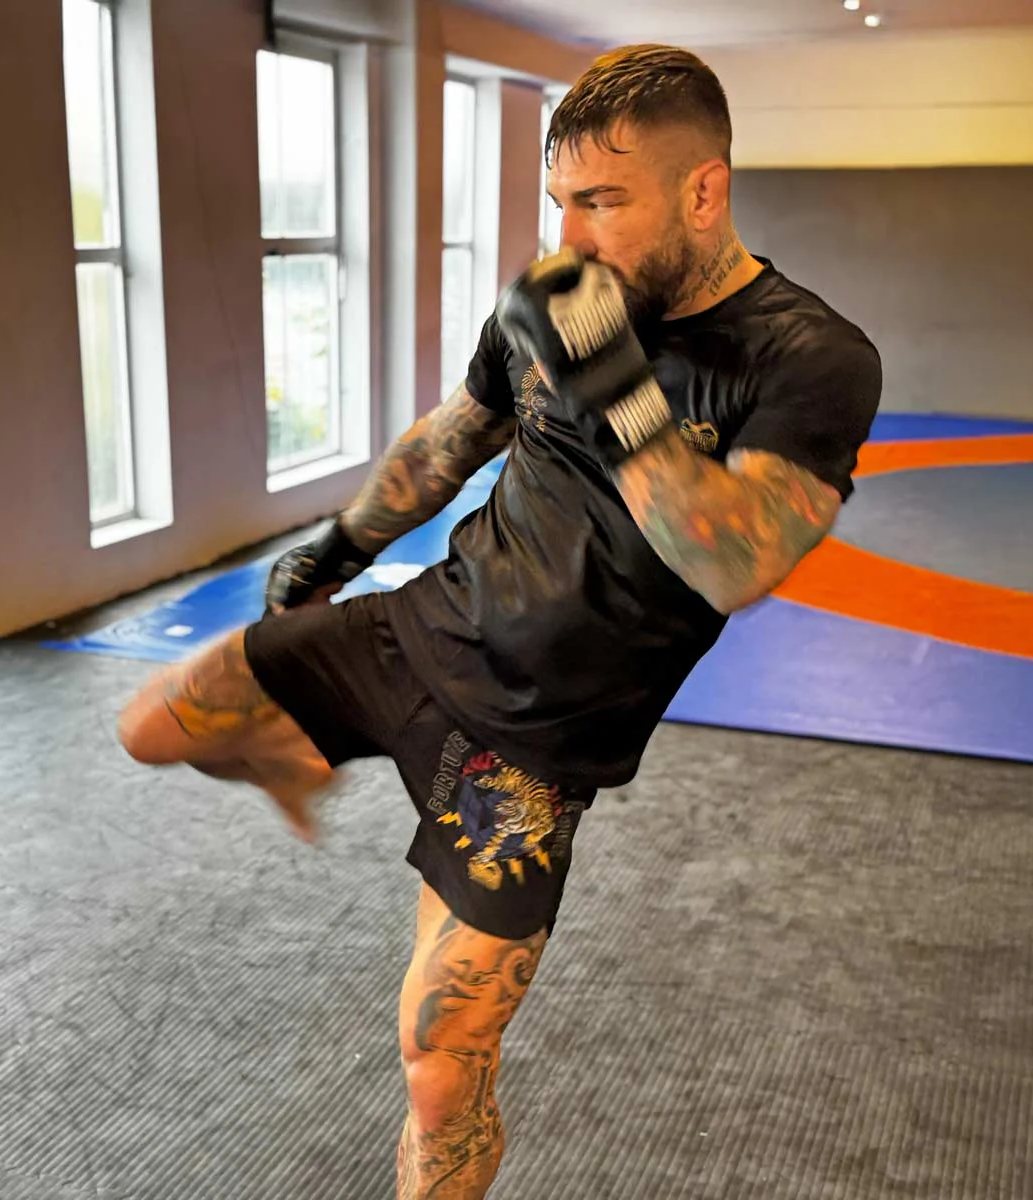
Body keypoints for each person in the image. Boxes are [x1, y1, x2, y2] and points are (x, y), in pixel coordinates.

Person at [117, 42, 881, 1199]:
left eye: (602, 201)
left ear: (704, 191)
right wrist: (337, 552)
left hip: (533, 744)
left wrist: (615, 388)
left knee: (440, 1062)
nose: (571, 236)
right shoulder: (559, 297)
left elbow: (736, 561)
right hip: (419, 627)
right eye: (559, 201)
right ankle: (292, 757)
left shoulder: (809, 355)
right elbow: (449, 440)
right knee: (154, 724)